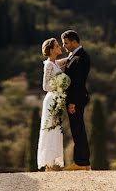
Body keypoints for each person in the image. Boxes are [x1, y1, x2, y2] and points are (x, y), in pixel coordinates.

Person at [61, 29, 91, 169]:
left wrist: (72, 101)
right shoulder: (74, 56)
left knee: (78, 129)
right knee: (76, 129)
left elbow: (78, 82)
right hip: (74, 98)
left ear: (74, 42)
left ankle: (81, 162)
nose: (64, 46)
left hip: (76, 99)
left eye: (66, 43)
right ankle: (80, 161)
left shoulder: (81, 57)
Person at [37, 37, 68, 171]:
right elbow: (45, 86)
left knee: (56, 130)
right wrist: (60, 85)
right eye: (57, 46)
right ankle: (49, 164)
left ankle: (53, 163)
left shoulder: (55, 63)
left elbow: (68, 60)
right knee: (51, 129)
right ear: (51, 50)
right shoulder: (49, 65)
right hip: (51, 100)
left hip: (57, 100)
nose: (59, 47)